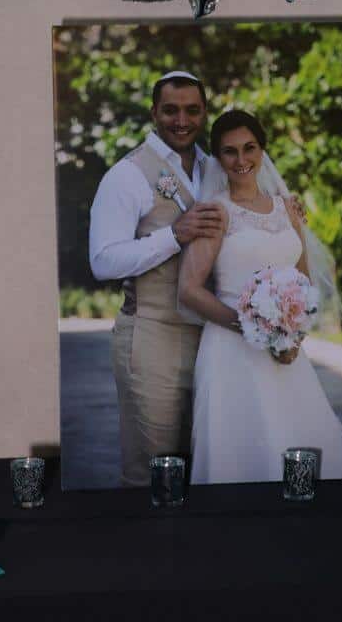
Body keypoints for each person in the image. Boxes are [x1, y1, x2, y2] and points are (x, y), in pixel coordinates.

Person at [178, 109, 342, 484]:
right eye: (230, 151)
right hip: (231, 352)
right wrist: (253, 327)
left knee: (296, 438)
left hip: (286, 351)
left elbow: (303, 281)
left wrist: (292, 337)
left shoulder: (287, 208)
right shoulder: (216, 212)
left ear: (263, 150)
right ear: (218, 158)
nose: (241, 159)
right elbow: (188, 289)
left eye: (249, 147)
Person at [88, 71, 229, 487]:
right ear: (154, 113)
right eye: (170, 110)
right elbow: (103, 261)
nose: (181, 121)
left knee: (206, 466)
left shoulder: (215, 168)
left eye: (192, 110)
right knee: (153, 470)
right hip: (152, 336)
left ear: (204, 112)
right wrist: (173, 235)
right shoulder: (127, 174)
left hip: (213, 342)